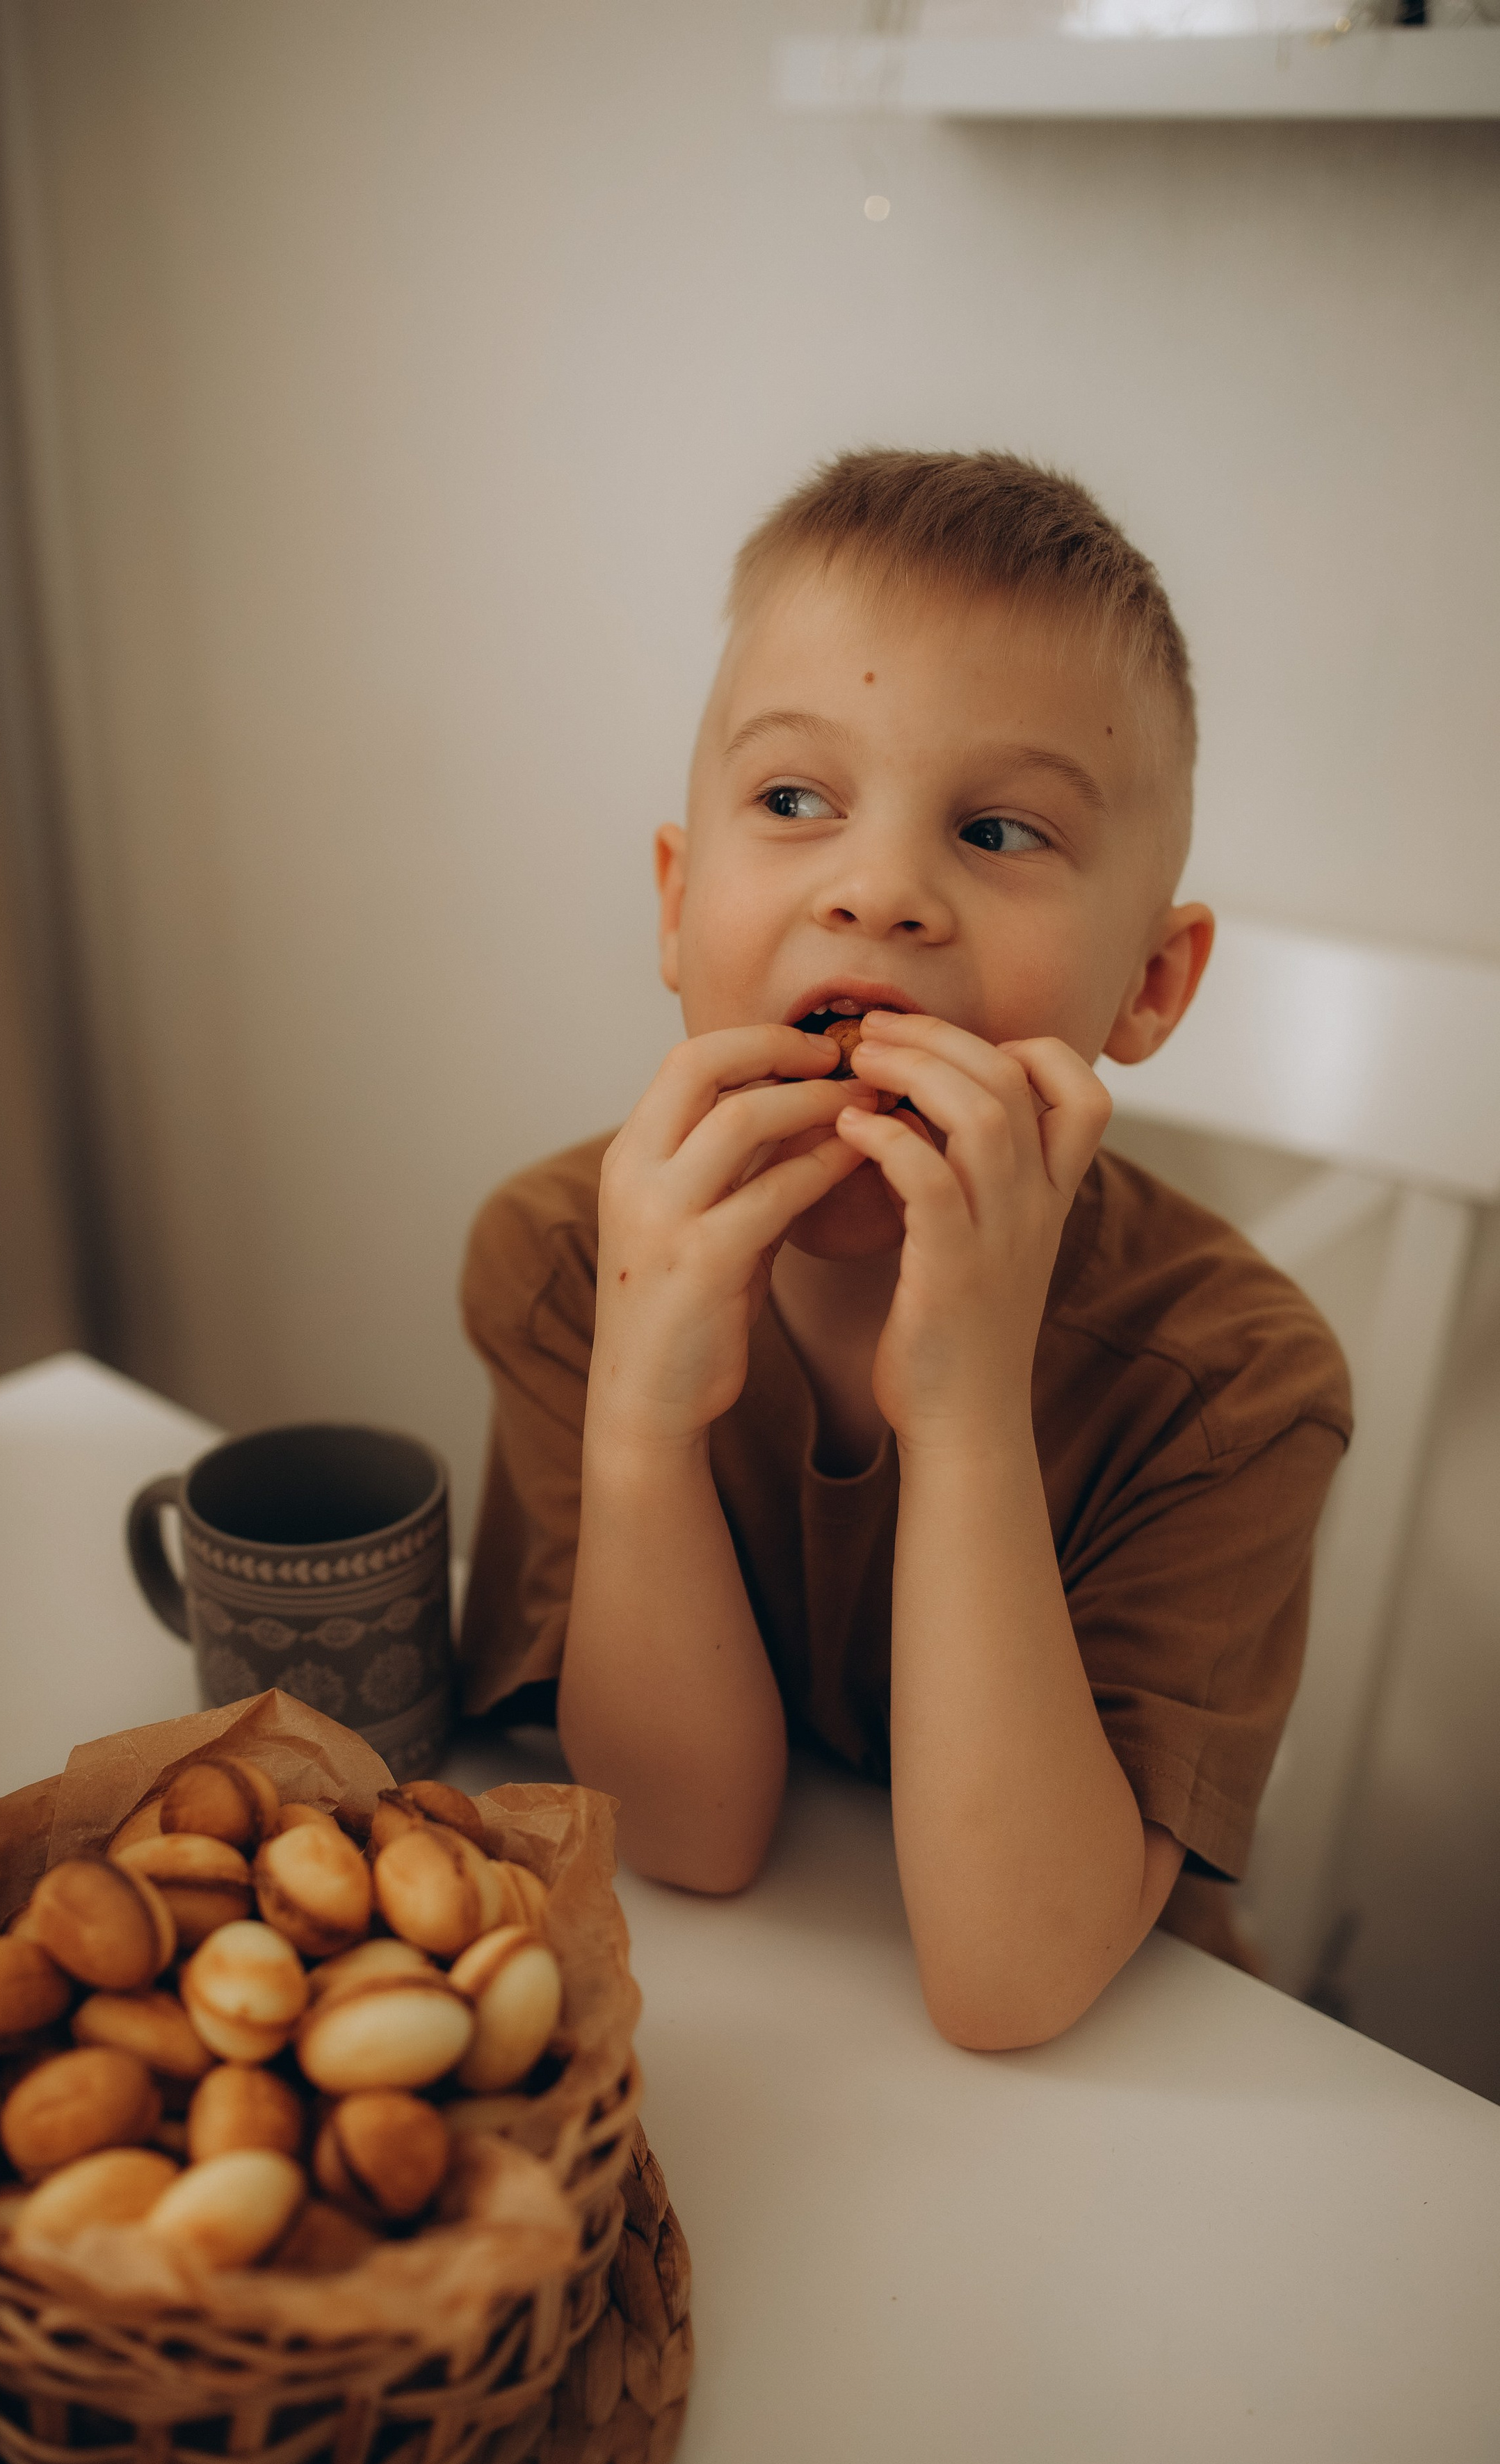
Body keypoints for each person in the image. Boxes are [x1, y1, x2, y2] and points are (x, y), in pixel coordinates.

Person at [457, 449, 1350, 2049]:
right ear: (675, 903)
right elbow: (686, 1843)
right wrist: (646, 1426)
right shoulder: (561, 1261)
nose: (879, 891)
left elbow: (1010, 1981)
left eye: (1000, 831)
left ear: (1149, 984)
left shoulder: (1234, 1385)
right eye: (793, 800)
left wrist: (963, 1405)